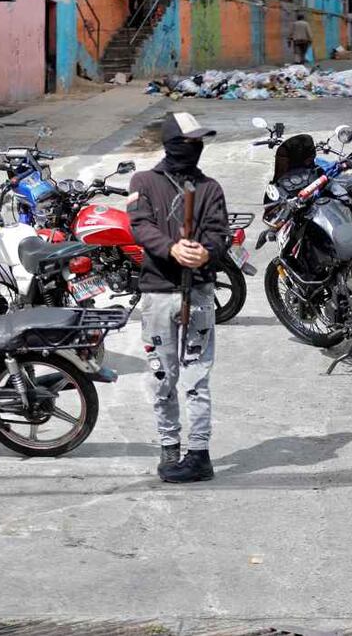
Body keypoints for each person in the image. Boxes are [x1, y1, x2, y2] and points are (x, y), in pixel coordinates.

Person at [129, 112, 229, 482]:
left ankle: (199, 453)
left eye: (198, 143)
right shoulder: (144, 182)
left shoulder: (210, 188)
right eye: (187, 143)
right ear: (171, 143)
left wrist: (206, 252)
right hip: (158, 293)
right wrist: (172, 250)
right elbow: (140, 227)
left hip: (199, 293)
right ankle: (169, 447)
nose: (194, 150)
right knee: (162, 376)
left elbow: (220, 235)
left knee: (197, 377)